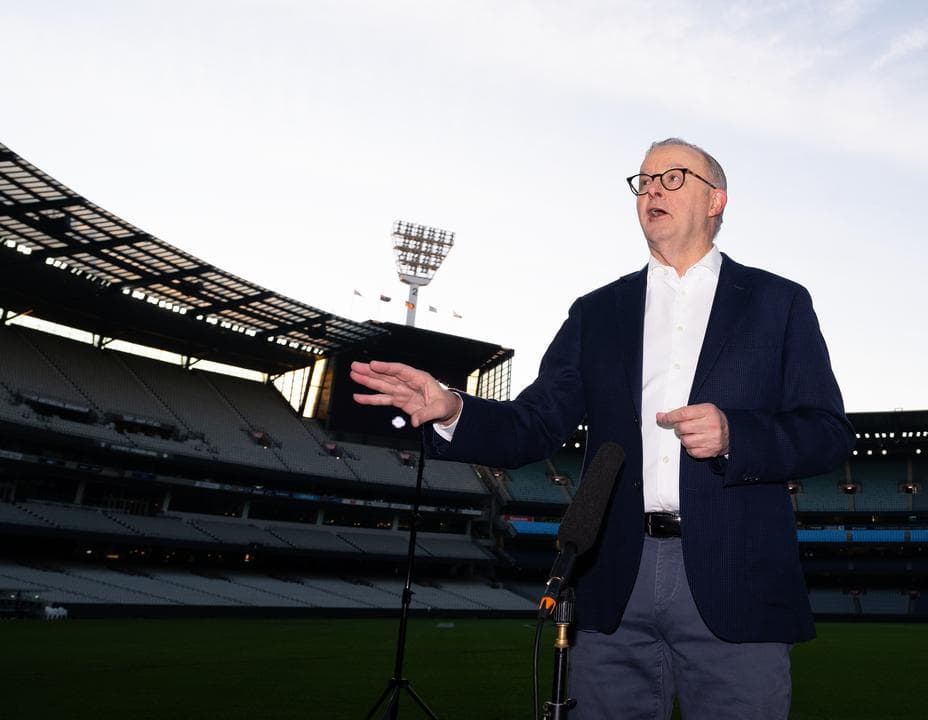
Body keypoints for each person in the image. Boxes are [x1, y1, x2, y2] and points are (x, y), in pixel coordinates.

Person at [351, 138, 854, 719]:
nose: (652, 190)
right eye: (644, 181)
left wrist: (736, 435)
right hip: (614, 577)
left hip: (737, 576)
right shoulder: (597, 312)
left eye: (672, 177)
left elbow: (827, 432)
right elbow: (536, 423)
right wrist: (452, 409)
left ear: (716, 200)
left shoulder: (778, 302)